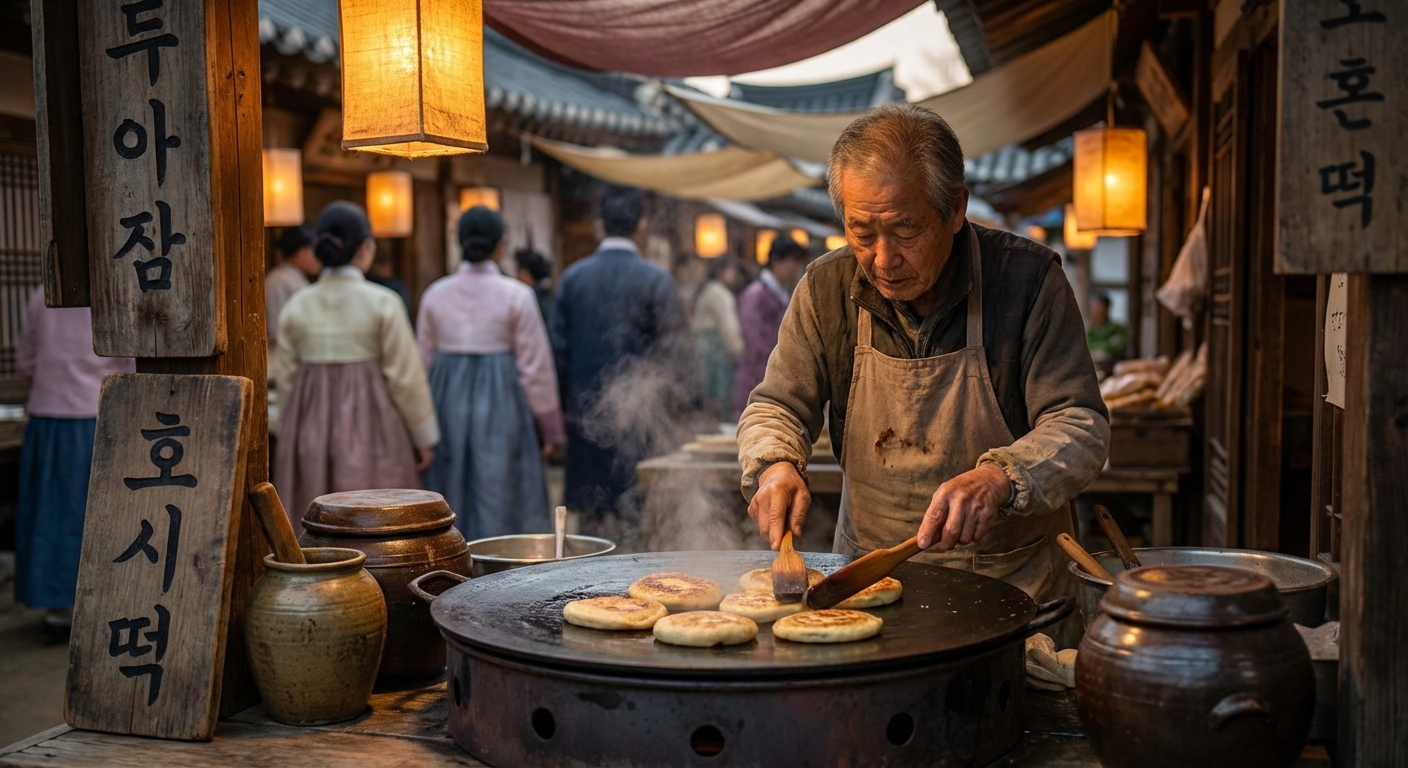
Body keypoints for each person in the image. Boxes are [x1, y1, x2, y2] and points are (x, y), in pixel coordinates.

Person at [736, 104, 1109, 645]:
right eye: (861, 232)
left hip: (1013, 599)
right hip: (865, 591)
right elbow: (777, 405)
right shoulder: (825, 289)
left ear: (955, 208)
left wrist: (1000, 477)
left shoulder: (1028, 284)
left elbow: (1080, 423)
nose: (883, 258)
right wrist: (773, 464)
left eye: (905, 231)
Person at [272, 201, 439, 527]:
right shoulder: (382, 303)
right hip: (375, 428)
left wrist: (289, 432)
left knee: (317, 520)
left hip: (310, 428)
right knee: (375, 520)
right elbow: (406, 380)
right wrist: (423, 437)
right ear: (366, 247)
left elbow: (287, 379)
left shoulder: (297, 305)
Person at [550, 186, 686, 547]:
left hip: (584, 415)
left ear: (600, 225)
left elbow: (558, 353)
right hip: (642, 419)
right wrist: (670, 411)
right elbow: (673, 356)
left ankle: (585, 594)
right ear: (641, 225)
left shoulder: (573, 279)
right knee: (638, 514)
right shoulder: (656, 280)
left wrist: (567, 407)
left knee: (589, 523)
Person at [418, 206, 565, 540]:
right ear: (501, 245)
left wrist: (419, 430)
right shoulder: (517, 295)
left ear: (460, 243)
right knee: (501, 487)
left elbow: (421, 363)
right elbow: (535, 369)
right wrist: (550, 428)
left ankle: (449, 559)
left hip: (446, 401)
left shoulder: (435, 294)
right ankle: (500, 566)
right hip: (503, 402)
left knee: (451, 485)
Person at [14, 288, 134, 643]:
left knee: (47, 513)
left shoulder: (41, 296)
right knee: (90, 514)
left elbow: (26, 362)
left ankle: (55, 609)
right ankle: (93, 604)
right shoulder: (108, 296)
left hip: (47, 417)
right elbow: (128, 362)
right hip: (94, 412)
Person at [732, 236, 808, 420]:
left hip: (778, 381)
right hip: (757, 381)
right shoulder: (756, 295)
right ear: (776, 260)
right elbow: (756, 344)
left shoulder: (782, 294)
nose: (796, 268)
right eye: (793, 261)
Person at [691, 258, 743, 421]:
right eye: (731, 270)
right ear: (722, 270)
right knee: (719, 400)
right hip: (715, 351)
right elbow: (728, 328)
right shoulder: (719, 293)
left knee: (710, 400)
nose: (733, 274)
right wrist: (738, 351)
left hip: (705, 349)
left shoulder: (709, 290)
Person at [264, 226, 320, 370]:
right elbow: (276, 328)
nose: (318, 258)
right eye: (314, 251)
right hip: (281, 357)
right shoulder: (279, 280)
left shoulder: (294, 279)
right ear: (301, 252)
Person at [1085, 292, 1128, 369]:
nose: (1094, 310)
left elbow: (1116, 347)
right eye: (1092, 306)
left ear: (1107, 308)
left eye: (1098, 306)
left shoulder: (1116, 329)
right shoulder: (1088, 330)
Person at [514, 247, 555, 326]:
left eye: (519, 272)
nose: (517, 276)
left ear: (526, 275)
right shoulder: (549, 298)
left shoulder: (527, 301)